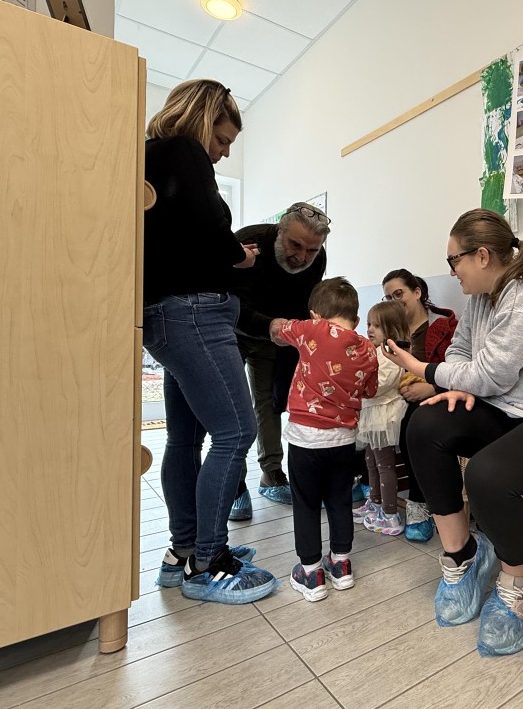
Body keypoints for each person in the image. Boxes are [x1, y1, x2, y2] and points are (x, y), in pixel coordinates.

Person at [383, 209, 523, 656]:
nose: (452, 272)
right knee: (423, 424)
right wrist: (455, 384)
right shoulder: (483, 298)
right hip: (509, 405)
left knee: (487, 474)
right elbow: (462, 351)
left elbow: (492, 374)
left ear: (482, 255)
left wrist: (423, 368)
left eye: (454, 261)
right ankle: (462, 556)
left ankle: (521, 581)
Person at [142, 78, 277, 605]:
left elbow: (183, 231)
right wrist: (239, 256)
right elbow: (206, 227)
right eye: (222, 140)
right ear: (202, 119)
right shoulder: (183, 150)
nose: (222, 153)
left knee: (185, 438)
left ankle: (183, 551)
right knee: (236, 431)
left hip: (167, 315)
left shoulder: (152, 156)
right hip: (194, 314)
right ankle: (208, 562)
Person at [270, 278, 379, 602]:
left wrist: (280, 328)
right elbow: (370, 390)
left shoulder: (312, 330)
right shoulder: (367, 348)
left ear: (316, 315)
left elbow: (280, 329)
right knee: (339, 500)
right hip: (343, 441)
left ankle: (311, 572)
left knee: (305, 503)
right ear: (355, 320)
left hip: (305, 439)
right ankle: (341, 565)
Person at [228, 203, 330, 515]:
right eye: (294, 245)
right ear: (279, 231)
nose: (301, 257)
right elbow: (230, 302)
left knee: (269, 404)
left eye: (311, 250)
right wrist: (270, 326)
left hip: (275, 338)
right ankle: (234, 483)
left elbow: (304, 303)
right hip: (233, 331)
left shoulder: (317, 260)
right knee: (233, 408)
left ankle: (271, 474)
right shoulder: (247, 241)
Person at [381, 270, 457, 542]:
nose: (394, 301)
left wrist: (433, 388)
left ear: (417, 292)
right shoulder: (392, 331)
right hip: (398, 395)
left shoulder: (443, 327)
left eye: (398, 293)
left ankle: (418, 503)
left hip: (435, 397)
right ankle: (369, 488)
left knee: (412, 420)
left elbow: (458, 370)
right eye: (388, 297)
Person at [353, 300, 410, 536]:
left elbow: (381, 383)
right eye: (369, 324)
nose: (370, 329)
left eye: (376, 325)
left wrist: (359, 381)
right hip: (372, 412)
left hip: (384, 413)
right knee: (371, 461)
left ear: (392, 328)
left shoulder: (393, 354)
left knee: (384, 465)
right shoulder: (375, 351)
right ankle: (375, 503)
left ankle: (390, 514)